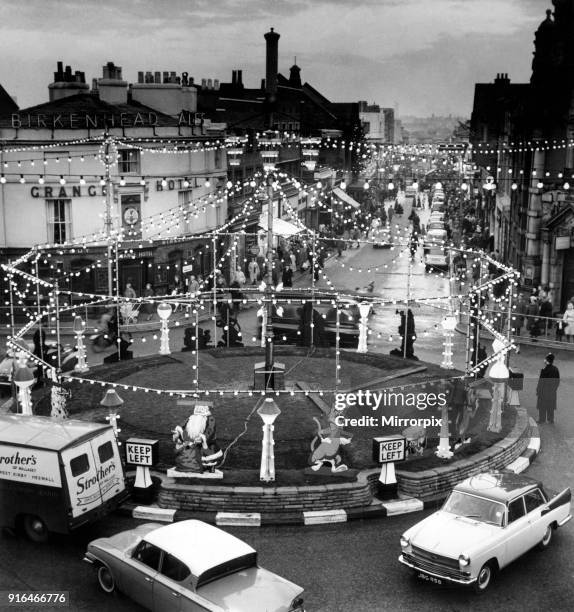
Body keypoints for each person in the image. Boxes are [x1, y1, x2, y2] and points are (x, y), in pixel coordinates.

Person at [536, 353, 560, 424]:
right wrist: (554, 389)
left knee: (542, 406)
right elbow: (557, 381)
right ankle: (550, 419)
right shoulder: (556, 369)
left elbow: (541, 382)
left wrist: (538, 390)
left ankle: (542, 419)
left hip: (544, 391)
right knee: (550, 405)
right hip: (552, 391)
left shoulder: (544, 370)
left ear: (546, 360)